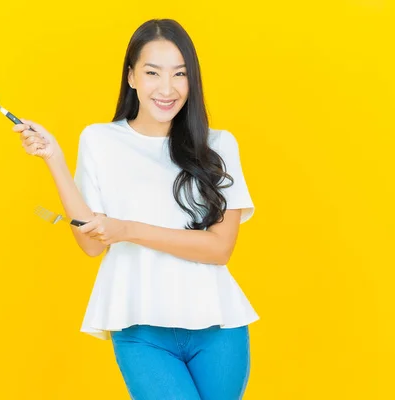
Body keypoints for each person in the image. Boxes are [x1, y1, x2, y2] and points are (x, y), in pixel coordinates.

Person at [13, 18, 258, 400]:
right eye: (152, 72)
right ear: (131, 78)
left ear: (192, 80)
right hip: (140, 329)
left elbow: (219, 249)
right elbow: (92, 243)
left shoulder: (219, 146)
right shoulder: (99, 140)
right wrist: (55, 160)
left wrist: (127, 230)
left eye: (179, 74)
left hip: (219, 329)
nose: (166, 88)